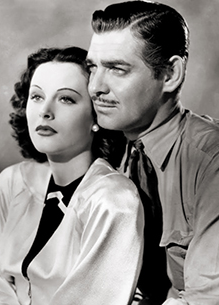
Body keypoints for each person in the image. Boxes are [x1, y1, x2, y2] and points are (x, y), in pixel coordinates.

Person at [0, 46, 144, 305]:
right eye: (36, 97)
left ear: (97, 114)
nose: (45, 111)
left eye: (66, 99)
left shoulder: (114, 200)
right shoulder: (11, 182)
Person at [87, 1, 219, 305]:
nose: (95, 87)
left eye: (117, 69)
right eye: (92, 68)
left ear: (170, 74)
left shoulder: (210, 160)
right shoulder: (108, 152)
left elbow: (205, 300)